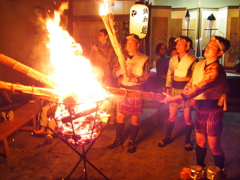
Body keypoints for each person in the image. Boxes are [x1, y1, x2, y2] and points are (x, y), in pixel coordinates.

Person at [161, 36, 230, 173]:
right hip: (201, 108)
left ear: (220, 53)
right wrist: (175, 96)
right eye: (208, 45)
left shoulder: (216, 69)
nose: (208, 47)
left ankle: (219, 173)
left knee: (214, 145)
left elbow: (199, 87)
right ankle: (199, 169)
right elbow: (191, 84)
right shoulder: (199, 65)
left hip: (213, 110)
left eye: (213, 46)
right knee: (199, 140)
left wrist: (174, 98)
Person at [107, 34, 150, 153]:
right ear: (125, 45)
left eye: (133, 42)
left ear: (138, 44)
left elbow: (146, 76)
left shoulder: (144, 58)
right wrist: (119, 72)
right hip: (122, 90)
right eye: (128, 42)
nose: (129, 44)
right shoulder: (121, 58)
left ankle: (132, 141)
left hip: (136, 90)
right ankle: (118, 138)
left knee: (134, 117)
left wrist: (136, 79)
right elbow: (114, 73)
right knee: (119, 115)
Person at [158, 36, 198, 151]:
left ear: (187, 46)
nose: (178, 45)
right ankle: (167, 137)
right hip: (174, 88)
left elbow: (195, 77)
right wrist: (168, 89)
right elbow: (170, 74)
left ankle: (187, 141)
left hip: (186, 90)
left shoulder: (193, 60)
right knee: (171, 116)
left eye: (181, 44)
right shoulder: (173, 59)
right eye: (178, 44)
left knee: (187, 118)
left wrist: (193, 94)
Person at [90, 29, 117, 123]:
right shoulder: (97, 47)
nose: (99, 36)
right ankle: (99, 117)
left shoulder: (110, 48)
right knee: (97, 96)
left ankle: (110, 117)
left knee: (107, 96)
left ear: (106, 36)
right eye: (98, 35)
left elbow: (106, 60)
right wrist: (93, 51)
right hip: (97, 75)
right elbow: (92, 61)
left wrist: (97, 51)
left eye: (101, 35)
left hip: (106, 75)